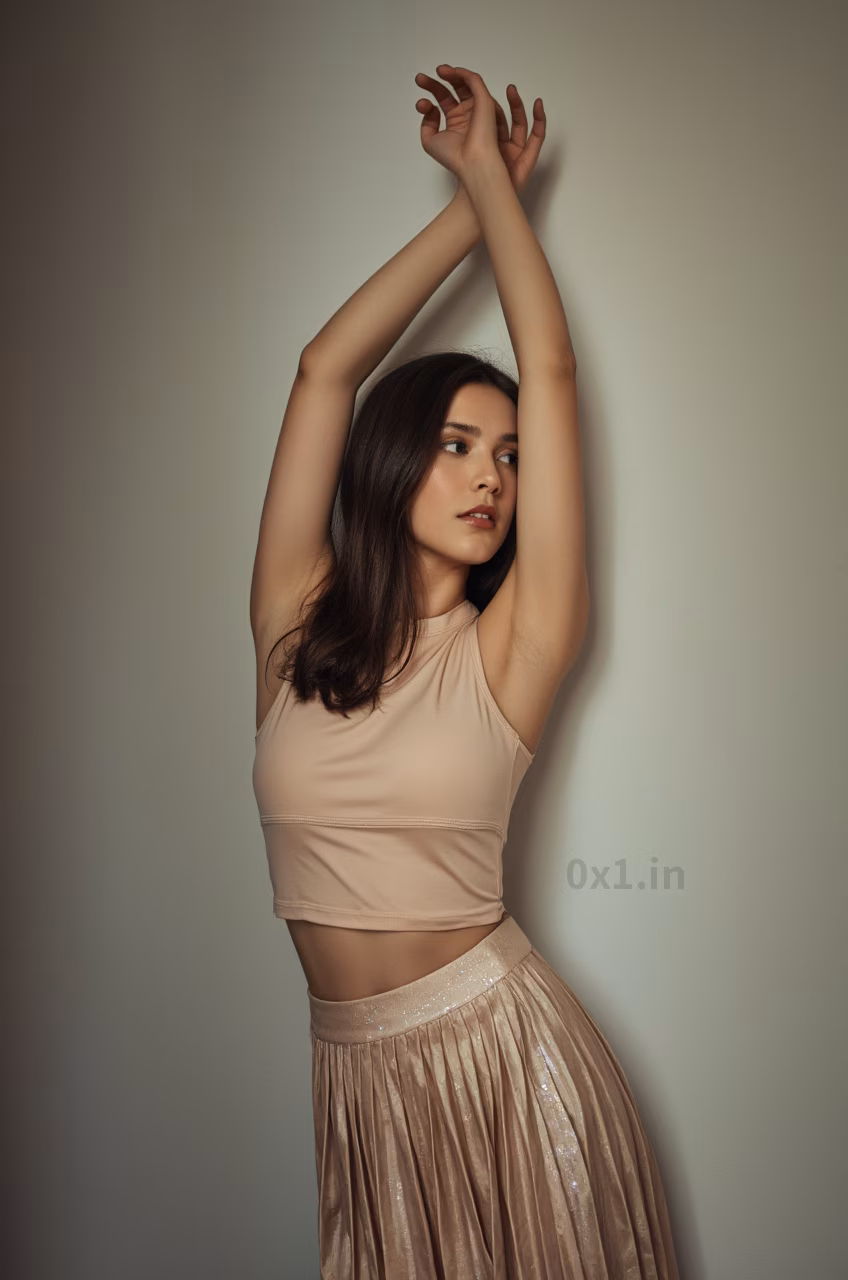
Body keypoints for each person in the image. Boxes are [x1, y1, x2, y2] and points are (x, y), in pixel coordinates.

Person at [251, 64, 680, 1279]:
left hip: (510, 1069)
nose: (492, 474)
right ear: (392, 461)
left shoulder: (514, 645)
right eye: (455, 445)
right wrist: (465, 201)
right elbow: (322, 370)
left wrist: (499, 187)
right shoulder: (293, 622)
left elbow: (550, 372)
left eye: (507, 456)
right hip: (355, 1084)